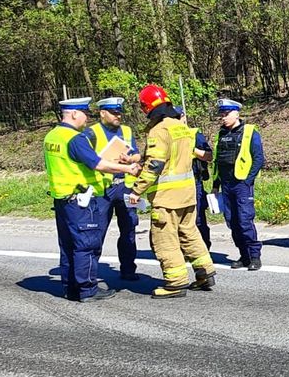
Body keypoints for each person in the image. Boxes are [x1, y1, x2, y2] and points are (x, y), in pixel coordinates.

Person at [44, 97, 139, 303]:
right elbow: (97, 164)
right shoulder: (75, 138)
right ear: (74, 114)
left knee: (68, 245)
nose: (87, 118)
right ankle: (87, 289)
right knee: (87, 244)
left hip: (62, 197)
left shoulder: (52, 136)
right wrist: (126, 168)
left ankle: (70, 288)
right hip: (81, 200)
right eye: (85, 113)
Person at [127, 85, 216, 299]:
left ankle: (175, 283)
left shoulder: (159, 130)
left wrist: (137, 190)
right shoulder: (182, 127)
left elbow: (156, 164)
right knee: (189, 233)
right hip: (187, 194)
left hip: (166, 199)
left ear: (147, 107)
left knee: (164, 239)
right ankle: (205, 272)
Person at [82, 96, 140, 280]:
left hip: (125, 186)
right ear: (102, 113)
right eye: (114, 113)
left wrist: (131, 160)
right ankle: (90, 274)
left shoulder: (127, 131)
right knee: (96, 233)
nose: (118, 116)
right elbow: (85, 160)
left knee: (129, 230)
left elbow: (137, 154)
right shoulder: (91, 133)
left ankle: (128, 270)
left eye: (119, 113)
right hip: (102, 190)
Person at [213, 98, 264, 270]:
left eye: (226, 114)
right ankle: (244, 256)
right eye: (222, 114)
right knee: (232, 222)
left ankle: (255, 257)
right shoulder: (222, 134)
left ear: (237, 113)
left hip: (241, 185)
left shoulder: (249, 132)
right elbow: (218, 161)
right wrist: (215, 185)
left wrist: (248, 180)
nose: (223, 117)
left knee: (244, 221)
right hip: (226, 185)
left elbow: (258, 159)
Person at [176, 106, 214, 250]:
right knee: (180, 220)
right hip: (176, 185)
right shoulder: (170, 136)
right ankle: (185, 249)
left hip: (194, 182)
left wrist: (192, 150)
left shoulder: (194, 134)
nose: (177, 121)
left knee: (197, 218)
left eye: (179, 117)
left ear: (184, 117)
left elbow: (209, 156)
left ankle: (204, 247)